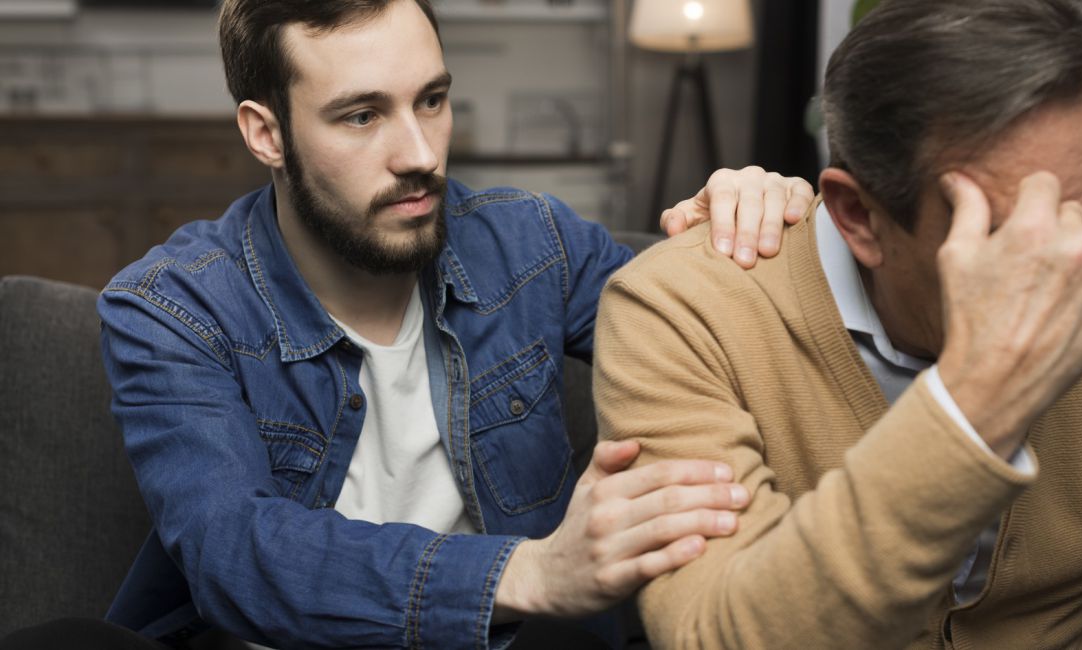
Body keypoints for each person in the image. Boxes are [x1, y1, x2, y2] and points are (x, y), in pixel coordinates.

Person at [0, 1, 813, 648]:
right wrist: (523, 573)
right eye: (361, 116)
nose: (420, 152)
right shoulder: (172, 306)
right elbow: (235, 554)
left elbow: (717, 346)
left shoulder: (532, 242)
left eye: (433, 99)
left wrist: (767, 238)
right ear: (266, 133)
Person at [593, 0, 1082, 647]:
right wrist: (972, 404)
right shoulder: (682, 308)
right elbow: (715, 633)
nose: (1069, 260)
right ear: (859, 217)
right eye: (1004, 230)